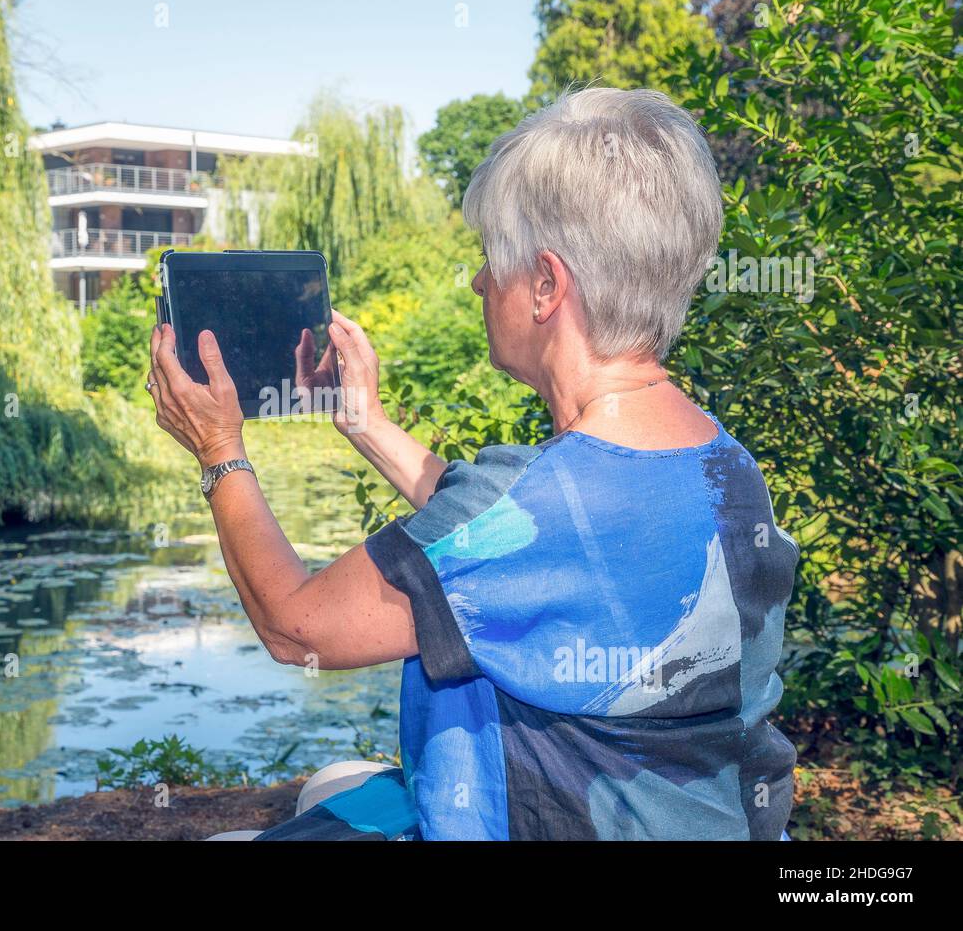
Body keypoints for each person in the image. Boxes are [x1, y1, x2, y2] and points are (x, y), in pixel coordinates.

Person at [146, 87, 798, 841]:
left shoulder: (533, 503)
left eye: (493, 260)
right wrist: (368, 426)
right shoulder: (722, 461)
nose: (480, 281)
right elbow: (515, 541)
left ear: (548, 285)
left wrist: (219, 450)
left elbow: (297, 628)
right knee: (334, 784)